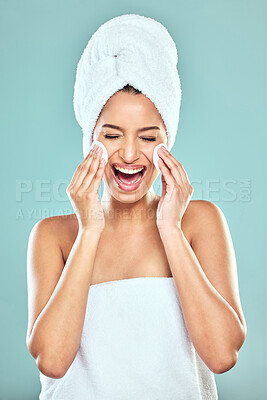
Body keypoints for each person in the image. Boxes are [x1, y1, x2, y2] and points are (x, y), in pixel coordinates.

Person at [26, 14, 247, 400]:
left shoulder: (199, 222)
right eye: (111, 135)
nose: (129, 154)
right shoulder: (53, 237)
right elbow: (52, 361)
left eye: (148, 137)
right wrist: (90, 229)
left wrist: (171, 230)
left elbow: (222, 353)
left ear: (168, 140)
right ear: (90, 137)